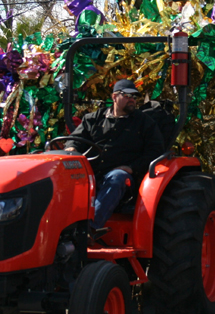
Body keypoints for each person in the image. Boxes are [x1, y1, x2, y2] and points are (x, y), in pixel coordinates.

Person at [66, 79, 164, 236]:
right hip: (93, 173)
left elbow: (155, 152)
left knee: (116, 177)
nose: (132, 99)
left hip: (126, 179)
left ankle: (89, 231)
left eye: (134, 96)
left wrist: (131, 167)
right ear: (114, 97)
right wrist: (71, 148)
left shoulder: (144, 123)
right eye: (127, 95)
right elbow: (75, 140)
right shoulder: (93, 119)